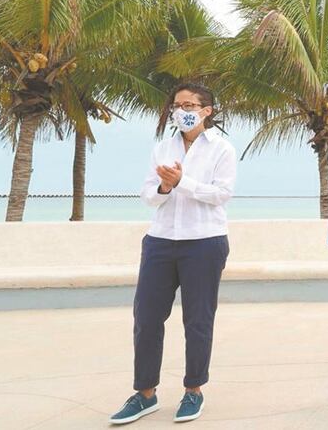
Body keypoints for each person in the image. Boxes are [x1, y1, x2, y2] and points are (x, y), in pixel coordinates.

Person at [110, 83, 235, 425]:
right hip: (160, 241)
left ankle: (193, 391)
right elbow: (148, 195)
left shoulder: (221, 149)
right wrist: (165, 186)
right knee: (147, 318)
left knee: (197, 321)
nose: (183, 110)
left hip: (204, 242)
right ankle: (145, 394)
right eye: (178, 105)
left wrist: (183, 182)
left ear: (207, 110)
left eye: (190, 104)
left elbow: (222, 194)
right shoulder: (163, 148)